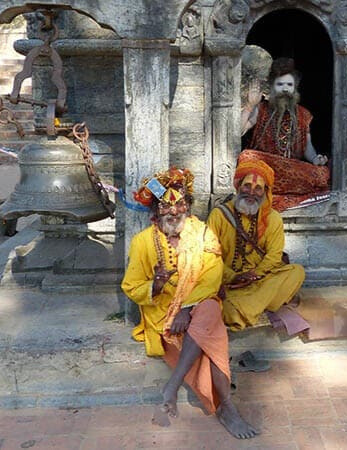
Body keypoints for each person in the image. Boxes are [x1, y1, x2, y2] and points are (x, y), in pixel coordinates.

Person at [121, 167, 258, 439]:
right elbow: (131, 287)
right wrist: (156, 285)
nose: (173, 213)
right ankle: (227, 408)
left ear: (188, 208)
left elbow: (213, 272)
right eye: (166, 208)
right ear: (155, 213)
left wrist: (186, 307)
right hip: (163, 315)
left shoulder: (202, 232)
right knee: (210, 336)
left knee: (207, 310)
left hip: (197, 303)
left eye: (179, 206)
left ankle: (172, 386)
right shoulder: (142, 243)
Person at [207, 159, 306, 330]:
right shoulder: (219, 215)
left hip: (261, 278)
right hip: (229, 283)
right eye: (247, 186)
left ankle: (248, 309)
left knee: (297, 272)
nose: (251, 192)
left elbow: (274, 256)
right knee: (226, 308)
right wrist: (233, 277)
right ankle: (258, 306)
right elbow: (209, 255)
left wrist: (254, 275)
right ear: (238, 187)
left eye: (258, 188)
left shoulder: (272, 218)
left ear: (265, 193)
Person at [240, 57, 330, 211]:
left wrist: (315, 159)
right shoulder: (260, 109)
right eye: (280, 84)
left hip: (291, 169)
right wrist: (249, 105)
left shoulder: (304, 114)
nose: (285, 89)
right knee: (246, 157)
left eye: (289, 85)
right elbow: (239, 131)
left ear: (295, 88)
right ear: (272, 87)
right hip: (263, 167)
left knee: (322, 174)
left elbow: (308, 148)